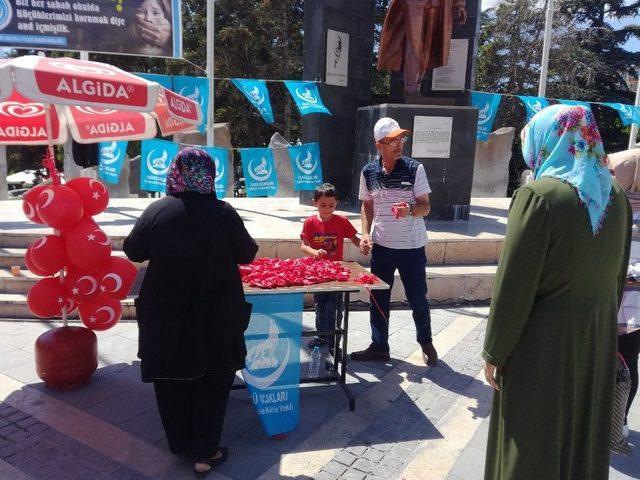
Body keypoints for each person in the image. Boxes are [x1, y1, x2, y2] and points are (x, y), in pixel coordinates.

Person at [482, 105, 631, 480]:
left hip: (542, 345)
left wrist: (495, 351)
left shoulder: (540, 195)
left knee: (533, 436)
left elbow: (514, 286)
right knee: (580, 435)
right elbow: (616, 279)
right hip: (596, 340)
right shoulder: (614, 197)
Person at [123, 148, 258, 477]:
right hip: (217, 315)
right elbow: (247, 253)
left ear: (176, 173)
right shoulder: (223, 213)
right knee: (214, 379)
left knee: (172, 379)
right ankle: (205, 451)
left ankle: (181, 444)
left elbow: (132, 250)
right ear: (210, 174)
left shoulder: (158, 211)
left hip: (167, 316)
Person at [351, 117, 437, 366]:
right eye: (392, 140)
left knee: (418, 297)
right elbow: (367, 204)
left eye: (401, 138)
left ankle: (426, 342)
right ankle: (379, 346)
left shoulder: (414, 169)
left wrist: (409, 209)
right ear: (379, 145)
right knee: (378, 299)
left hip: (411, 247)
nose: (399, 144)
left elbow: (426, 207)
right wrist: (365, 234)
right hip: (382, 247)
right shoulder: (368, 172)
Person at [300, 183, 363, 355]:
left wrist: (363, 244)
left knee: (335, 308)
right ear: (315, 203)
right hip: (318, 273)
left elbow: (355, 238)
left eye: (331, 205)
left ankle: (335, 341)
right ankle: (321, 336)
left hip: (337, 274)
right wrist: (314, 252)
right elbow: (304, 246)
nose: (327, 209)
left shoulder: (342, 221)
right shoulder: (310, 222)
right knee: (320, 306)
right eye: (323, 205)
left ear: (336, 203)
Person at [377, 0, 467, 95]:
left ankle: (417, 85)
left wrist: (459, 5)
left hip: (437, 6)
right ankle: (411, 87)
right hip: (414, 4)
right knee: (414, 43)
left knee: (427, 47)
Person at [610, 150, 640, 438]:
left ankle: (619, 419)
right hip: (608, 300)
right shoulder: (611, 206)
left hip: (633, 306)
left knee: (627, 362)